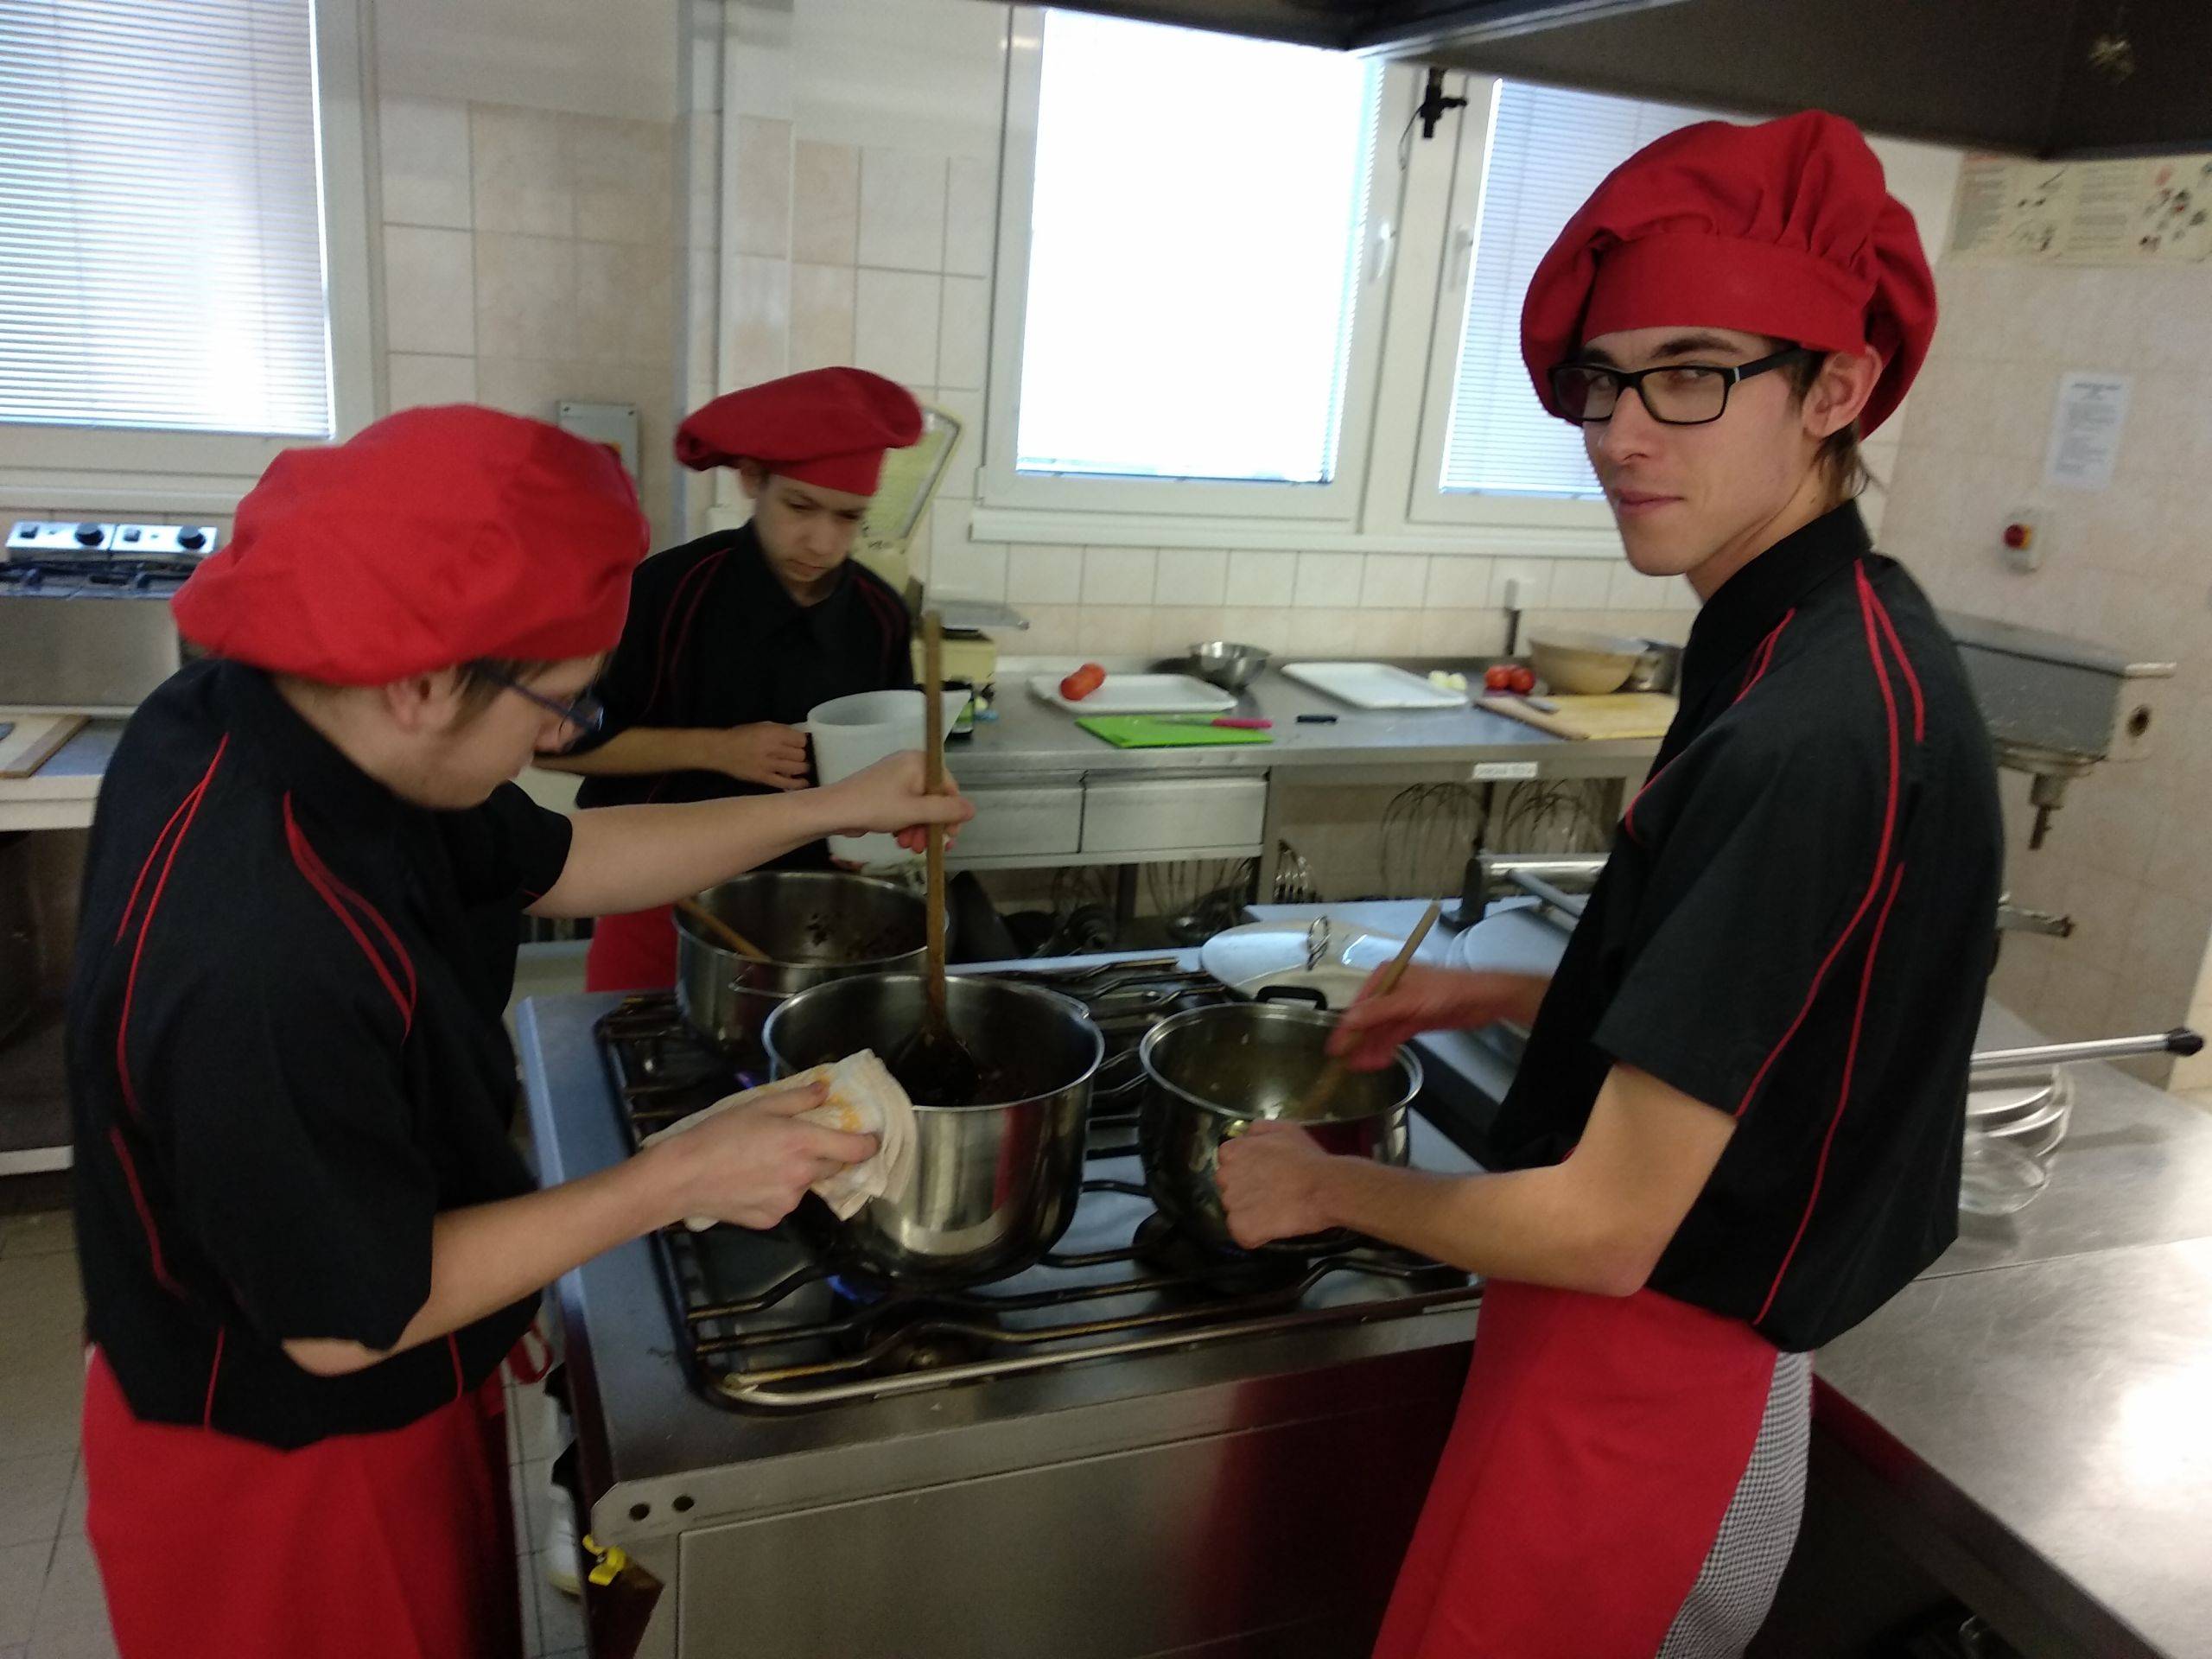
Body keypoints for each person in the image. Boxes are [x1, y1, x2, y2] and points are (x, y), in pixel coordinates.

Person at [1217, 111, 2001, 1658]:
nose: (1623, 435)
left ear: (1836, 390)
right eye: (1605, 378)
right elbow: (1765, 1024)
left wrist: (1322, 1186)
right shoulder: (1814, 632)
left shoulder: (1812, 729)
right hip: (1637, 1351)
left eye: (1693, 374)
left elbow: (1603, 1229)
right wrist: (1509, 993)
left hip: (1655, 1387)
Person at [67, 405, 972, 1658]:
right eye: (558, 705)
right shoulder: (256, 950)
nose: (562, 737)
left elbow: (565, 857)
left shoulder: (304, 716)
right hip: (281, 1468)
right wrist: (674, 1179)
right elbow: (341, 1323)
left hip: (381, 1370)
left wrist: (833, 806)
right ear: (426, 684)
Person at [545, 366, 925, 992]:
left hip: (814, 915)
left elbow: (888, 765)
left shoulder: (880, 616)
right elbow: (553, 744)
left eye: (849, 518)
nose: (822, 542)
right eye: (799, 506)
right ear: (753, 478)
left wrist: (902, 812)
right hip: (656, 898)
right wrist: (718, 749)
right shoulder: (668, 592)